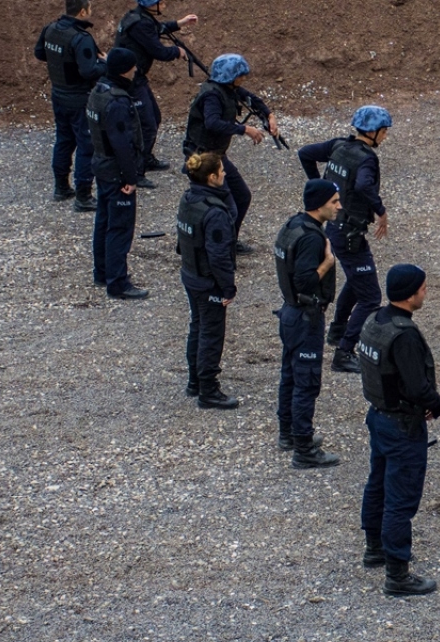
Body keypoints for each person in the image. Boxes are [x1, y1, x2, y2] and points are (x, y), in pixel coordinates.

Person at [357, 264, 440, 597]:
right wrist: (435, 404)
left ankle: (374, 547)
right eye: (423, 288)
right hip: (403, 425)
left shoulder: (375, 320)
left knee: (377, 483)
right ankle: (397, 573)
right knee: (400, 500)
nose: (425, 292)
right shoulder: (404, 334)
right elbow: (417, 386)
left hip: (379, 417)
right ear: (410, 294)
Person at [297, 105, 392, 374]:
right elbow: (363, 185)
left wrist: (321, 190)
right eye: (384, 132)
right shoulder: (366, 159)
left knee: (355, 279)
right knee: (371, 297)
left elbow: (305, 154)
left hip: (335, 228)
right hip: (349, 232)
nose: (385, 137)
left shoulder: (339, 145)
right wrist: (381, 210)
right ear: (374, 132)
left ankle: (337, 332)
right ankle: (344, 352)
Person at [274, 179, 343, 469]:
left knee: (290, 375)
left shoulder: (293, 225)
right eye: (334, 201)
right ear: (319, 204)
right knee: (306, 382)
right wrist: (327, 264)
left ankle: (288, 433)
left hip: (291, 314)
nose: (339, 206)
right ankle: (303, 448)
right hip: (305, 317)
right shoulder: (312, 238)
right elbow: (304, 280)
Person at [181, 53, 278, 255]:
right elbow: (212, 123)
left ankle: (228, 241)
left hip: (217, 155)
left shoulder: (228, 89)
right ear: (230, 76)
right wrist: (244, 130)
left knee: (242, 196)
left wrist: (269, 115)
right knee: (227, 208)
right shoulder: (212, 95)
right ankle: (216, 248)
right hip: (204, 158)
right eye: (240, 75)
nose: (243, 79)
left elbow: (252, 99)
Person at [177, 151, 238, 408]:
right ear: (212, 177)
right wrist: (227, 288)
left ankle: (195, 381)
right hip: (207, 281)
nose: (225, 174)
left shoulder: (189, 199)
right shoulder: (215, 213)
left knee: (198, 327)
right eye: (221, 171)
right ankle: (208, 390)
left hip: (190, 273)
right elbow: (219, 256)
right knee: (211, 334)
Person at [113, 0, 198, 184]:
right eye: (161, 2)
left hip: (137, 77)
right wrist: (177, 51)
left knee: (155, 118)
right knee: (146, 125)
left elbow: (157, 28)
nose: (165, 3)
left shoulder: (140, 17)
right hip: (131, 81)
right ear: (152, 5)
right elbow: (158, 51)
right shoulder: (140, 23)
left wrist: (179, 23)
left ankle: (146, 158)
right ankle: (136, 171)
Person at [87, 48, 148, 300]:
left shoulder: (99, 90)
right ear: (125, 69)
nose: (135, 71)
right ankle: (118, 282)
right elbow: (122, 143)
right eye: (132, 67)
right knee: (120, 227)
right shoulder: (119, 101)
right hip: (116, 171)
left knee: (103, 220)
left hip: (101, 165)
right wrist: (131, 177)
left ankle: (102, 272)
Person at [34, 0, 105, 212]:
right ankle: (83, 195)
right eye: (90, 9)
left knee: (64, 139)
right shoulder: (80, 38)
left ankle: (61, 187)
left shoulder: (51, 29)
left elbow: (39, 54)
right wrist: (107, 65)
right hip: (78, 97)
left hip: (58, 93)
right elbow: (88, 71)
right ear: (82, 11)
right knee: (86, 144)